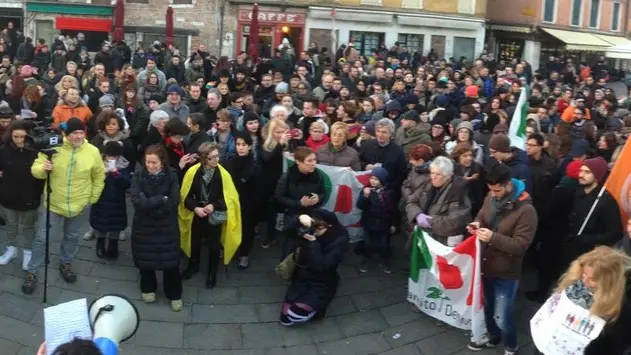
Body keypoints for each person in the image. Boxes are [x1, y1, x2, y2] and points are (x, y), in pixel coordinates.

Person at [22, 118, 106, 295]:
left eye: (81, 132)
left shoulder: (93, 151)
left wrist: (92, 198)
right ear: (66, 135)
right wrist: (43, 169)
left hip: (80, 204)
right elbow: (35, 170)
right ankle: (33, 271)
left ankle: (65, 262)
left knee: (72, 236)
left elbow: (99, 176)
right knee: (43, 238)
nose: (78, 136)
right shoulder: (54, 148)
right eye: (74, 133)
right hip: (54, 203)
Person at [467, 163, 537, 354]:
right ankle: (494, 336)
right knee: (489, 308)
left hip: (506, 272)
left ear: (508, 185)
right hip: (486, 265)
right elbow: (483, 214)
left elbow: (521, 246)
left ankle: (511, 345)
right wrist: (477, 223)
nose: (494, 194)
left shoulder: (527, 211)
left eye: (497, 190)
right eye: (491, 190)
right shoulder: (491, 195)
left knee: (502, 316)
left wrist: (492, 238)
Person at [543, 246, 631, 355]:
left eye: (592, 279)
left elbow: (614, 345)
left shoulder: (624, 309)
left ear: (608, 281)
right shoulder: (576, 279)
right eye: (584, 274)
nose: (585, 281)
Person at [179, 142, 241, 288]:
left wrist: (214, 205)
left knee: (214, 246)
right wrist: (195, 208)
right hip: (197, 215)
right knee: (195, 242)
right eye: (212, 158)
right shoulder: (192, 172)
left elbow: (230, 199)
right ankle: (193, 266)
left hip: (214, 216)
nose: (216, 160)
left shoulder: (223, 175)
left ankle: (212, 272)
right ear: (203, 158)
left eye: (217, 156)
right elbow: (185, 196)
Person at [130, 144, 182, 311]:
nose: (151, 166)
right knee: (146, 261)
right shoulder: (139, 176)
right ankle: (148, 288)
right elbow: (137, 201)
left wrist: (149, 204)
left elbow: (174, 201)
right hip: (144, 227)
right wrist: (160, 198)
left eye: (154, 162)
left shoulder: (171, 175)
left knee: (170, 262)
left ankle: (174, 293)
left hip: (166, 226)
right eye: (148, 162)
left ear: (163, 162)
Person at [280, 209, 349, 326]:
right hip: (301, 277)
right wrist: (298, 219)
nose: (314, 230)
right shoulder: (309, 229)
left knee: (294, 315)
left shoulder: (338, 239)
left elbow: (320, 266)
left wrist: (313, 242)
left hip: (321, 282)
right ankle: (308, 305)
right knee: (285, 318)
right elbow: (286, 232)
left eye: (319, 228)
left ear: (329, 227)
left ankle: (319, 308)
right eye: (314, 226)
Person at [0, 120, 45, 269]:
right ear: (10, 136)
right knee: (11, 225)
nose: (19, 140)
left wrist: (36, 196)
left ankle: (27, 253)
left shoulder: (35, 151)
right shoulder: (4, 150)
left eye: (22, 137)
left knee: (28, 228)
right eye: (16, 137)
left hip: (29, 198)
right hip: (8, 197)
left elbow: (41, 178)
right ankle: (11, 250)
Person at [405, 156, 471, 246]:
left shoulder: (457, 191)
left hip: (442, 241)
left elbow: (455, 222)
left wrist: (430, 221)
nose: (433, 177)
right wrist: (417, 214)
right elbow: (411, 201)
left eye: (438, 174)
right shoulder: (428, 184)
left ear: (448, 176)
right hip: (425, 236)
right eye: (432, 173)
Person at [275, 146, 325, 259]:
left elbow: (323, 193)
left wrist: (318, 199)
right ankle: (286, 267)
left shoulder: (318, 175)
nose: (313, 164)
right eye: (309, 161)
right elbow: (279, 197)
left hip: (311, 215)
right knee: (290, 245)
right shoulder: (288, 176)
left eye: (314, 160)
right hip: (292, 216)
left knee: (308, 244)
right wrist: (299, 203)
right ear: (298, 162)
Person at [223, 132, 261, 270]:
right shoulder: (230, 161)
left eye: (244, 145)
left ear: (250, 147)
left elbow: (257, 191)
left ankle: (244, 254)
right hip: (231, 203)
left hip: (247, 205)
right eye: (238, 144)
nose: (240, 148)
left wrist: (251, 206)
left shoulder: (255, 166)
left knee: (246, 229)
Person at [90, 141, 131, 260]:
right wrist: (103, 173)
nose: (111, 158)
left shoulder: (123, 166)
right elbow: (92, 180)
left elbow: (127, 184)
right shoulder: (99, 164)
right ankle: (100, 244)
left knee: (115, 225)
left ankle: (114, 245)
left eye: (114, 156)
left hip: (117, 202)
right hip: (101, 200)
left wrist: (116, 174)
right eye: (109, 156)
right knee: (101, 223)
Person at [357, 166, 394, 273]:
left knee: (384, 244)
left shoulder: (388, 192)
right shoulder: (366, 190)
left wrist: (393, 223)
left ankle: (384, 260)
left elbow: (392, 210)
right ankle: (366, 259)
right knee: (368, 243)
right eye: (371, 178)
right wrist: (365, 196)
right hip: (369, 222)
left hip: (383, 223)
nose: (372, 181)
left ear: (382, 180)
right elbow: (360, 205)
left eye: (376, 179)